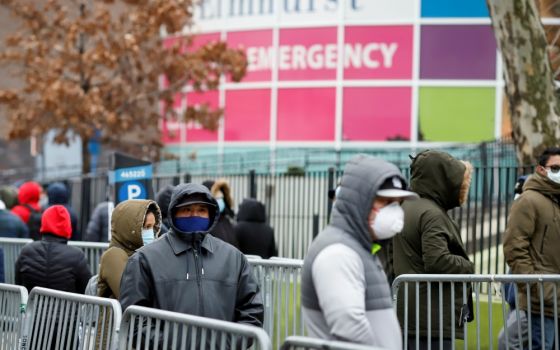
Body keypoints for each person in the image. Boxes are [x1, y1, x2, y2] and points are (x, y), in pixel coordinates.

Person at [119, 183, 263, 346]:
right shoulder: (144, 259)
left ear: (210, 213)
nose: (194, 215)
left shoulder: (234, 258)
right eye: (186, 210)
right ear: (174, 212)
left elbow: (252, 312)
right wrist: (169, 344)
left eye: (201, 210)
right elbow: (133, 320)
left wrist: (227, 344)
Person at [301, 154, 418, 349]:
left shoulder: (359, 248)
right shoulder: (338, 253)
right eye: (386, 202)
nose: (395, 210)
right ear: (360, 202)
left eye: (397, 203)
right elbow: (350, 330)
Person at [392, 150, 474, 349]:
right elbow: (437, 261)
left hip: (410, 312)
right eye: (458, 180)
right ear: (442, 179)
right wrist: (468, 266)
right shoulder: (432, 214)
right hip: (429, 317)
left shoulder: (407, 206)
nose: (463, 186)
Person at [504, 147, 560, 350]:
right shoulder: (529, 200)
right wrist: (535, 286)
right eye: (555, 167)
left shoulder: (555, 200)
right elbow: (514, 247)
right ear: (541, 169)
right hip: (541, 300)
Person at [15, 205, 91, 293]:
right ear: (67, 226)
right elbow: (86, 289)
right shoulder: (77, 256)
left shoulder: (26, 251)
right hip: (66, 306)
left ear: (44, 223)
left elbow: (19, 285)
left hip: (32, 306)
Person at [97, 199, 161, 299]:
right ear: (130, 229)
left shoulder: (143, 253)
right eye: (146, 227)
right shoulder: (114, 256)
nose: (151, 233)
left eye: (153, 227)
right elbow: (131, 296)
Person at [203, 179, 239, 248]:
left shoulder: (226, 219)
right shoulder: (205, 223)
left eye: (221, 197)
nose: (220, 200)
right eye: (217, 198)